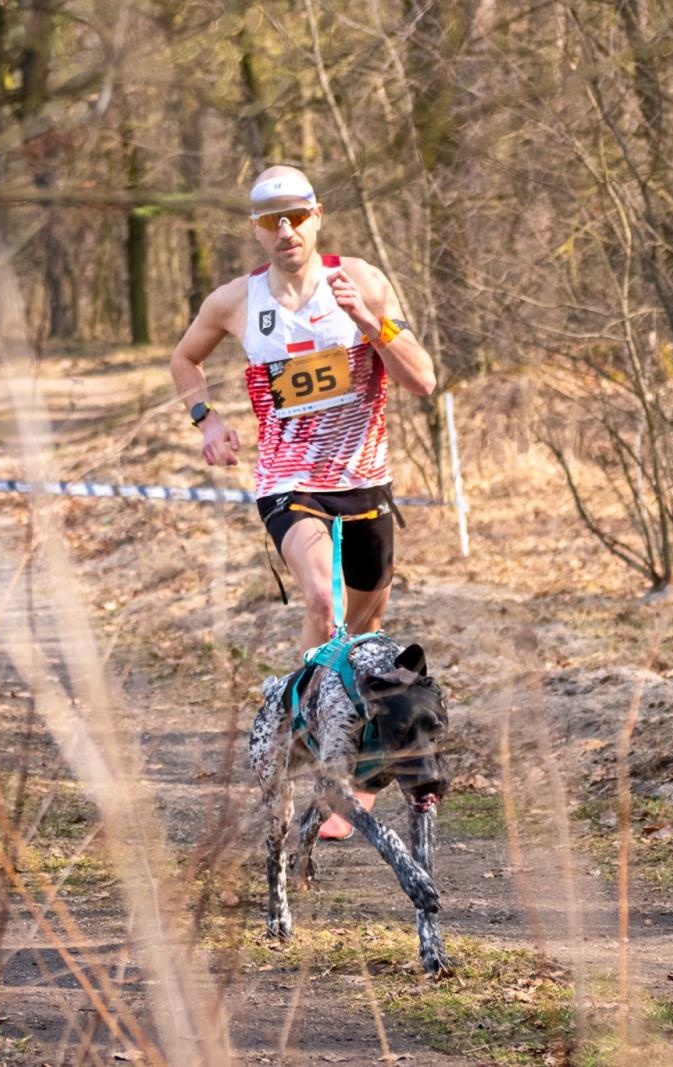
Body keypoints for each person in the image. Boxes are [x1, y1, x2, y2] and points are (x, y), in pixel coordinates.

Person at [169, 165, 437, 839]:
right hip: (289, 482)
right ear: (256, 230)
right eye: (271, 220)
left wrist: (369, 322)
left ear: (317, 217)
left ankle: (362, 777)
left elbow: (423, 380)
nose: (285, 230)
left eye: (296, 216)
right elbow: (184, 360)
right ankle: (309, 743)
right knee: (322, 601)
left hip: (365, 481)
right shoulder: (235, 300)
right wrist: (206, 419)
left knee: (368, 636)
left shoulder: (363, 280)